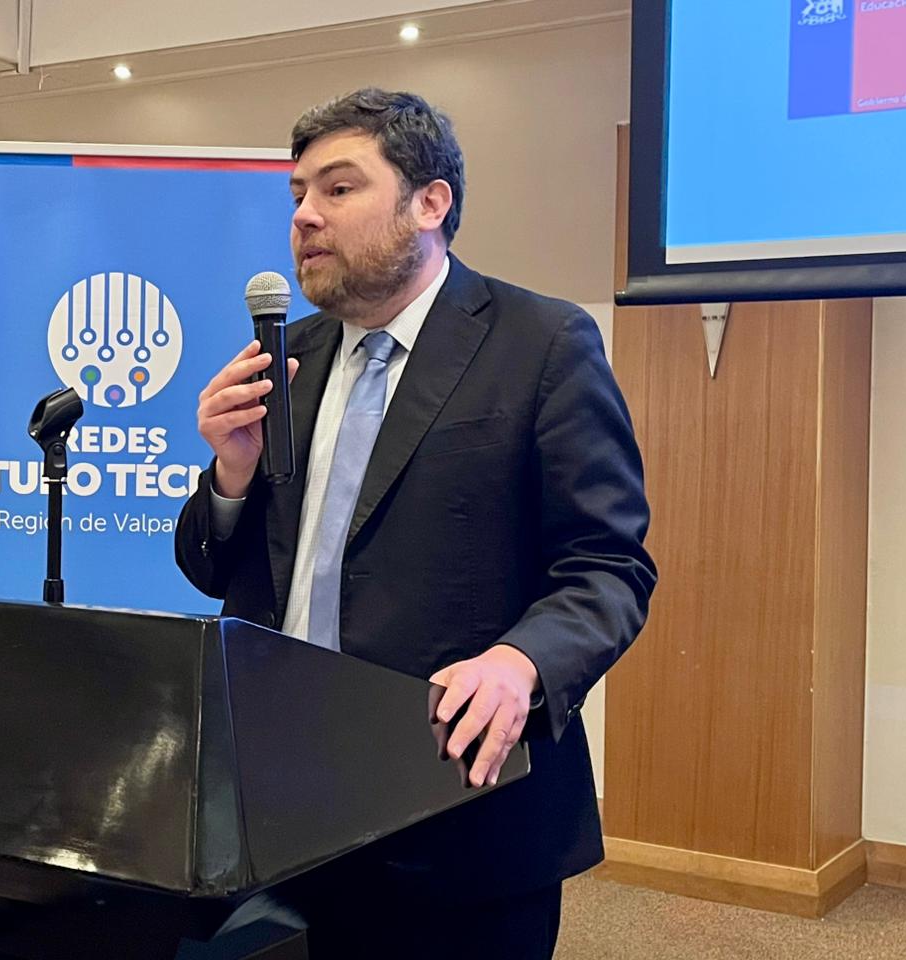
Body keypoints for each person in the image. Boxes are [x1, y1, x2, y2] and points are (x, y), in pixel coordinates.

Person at [175, 88, 656, 959]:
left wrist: (521, 663)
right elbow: (216, 568)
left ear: (430, 203)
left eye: (338, 188)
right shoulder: (287, 358)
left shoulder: (542, 344)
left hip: (457, 811)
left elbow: (607, 567)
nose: (305, 216)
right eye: (297, 194)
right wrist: (230, 477)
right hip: (279, 805)